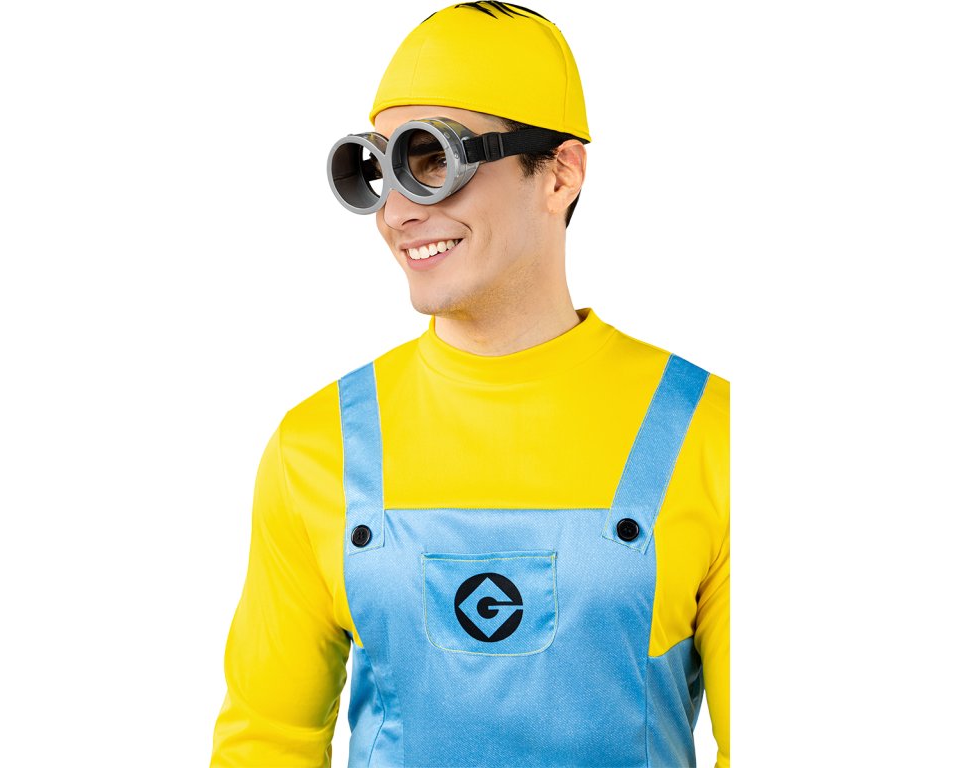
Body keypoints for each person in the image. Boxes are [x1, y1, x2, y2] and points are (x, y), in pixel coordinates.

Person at [210, 3, 729, 766]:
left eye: (431, 161)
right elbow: (267, 742)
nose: (396, 212)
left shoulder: (710, 432)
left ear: (560, 173)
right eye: (378, 170)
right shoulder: (315, 446)